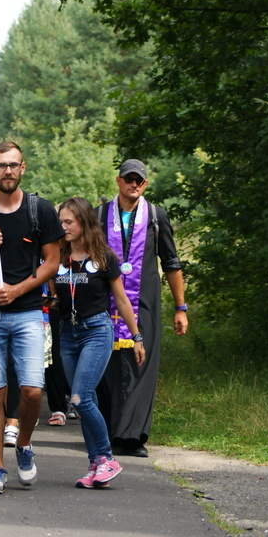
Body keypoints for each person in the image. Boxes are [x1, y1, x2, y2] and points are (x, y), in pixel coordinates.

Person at [0, 142, 64, 494]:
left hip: (27, 313)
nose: (7, 171)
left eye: (13, 165)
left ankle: (23, 442)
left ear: (23, 168)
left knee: (32, 391)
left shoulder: (40, 210)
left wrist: (18, 290)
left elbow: (52, 262)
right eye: (1, 165)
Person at [96, 159, 189, 458]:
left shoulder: (156, 217)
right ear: (118, 181)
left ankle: (133, 436)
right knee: (108, 368)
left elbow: (172, 263)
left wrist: (180, 307)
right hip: (106, 303)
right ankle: (110, 433)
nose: (133, 184)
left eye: (139, 180)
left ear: (145, 184)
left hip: (145, 303)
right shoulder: (100, 215)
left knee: (141, 367)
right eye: (129, 179)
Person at [51, 196, 144, 489]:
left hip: (96, 331)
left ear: (84, 222)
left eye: (69, 222)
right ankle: (95, 464)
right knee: (80, 400)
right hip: (67, 333)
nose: (63, 227)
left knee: (81, 397)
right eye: (61, 222)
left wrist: (136, 337)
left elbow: (122, 300)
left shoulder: (104, 257)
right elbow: (52, 295)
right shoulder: (58, 256)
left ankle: (106, 458)